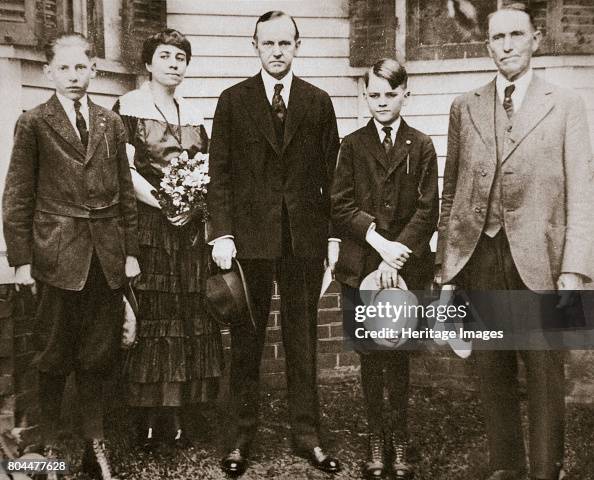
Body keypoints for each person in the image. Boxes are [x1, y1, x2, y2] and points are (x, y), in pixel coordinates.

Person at [435, 4, 594, 480]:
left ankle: (546, 470)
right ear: (487, 45)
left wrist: (574, 268)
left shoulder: (565, 104)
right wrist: (447, 269)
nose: (506, 45)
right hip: (481, 256)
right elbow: (451, 193)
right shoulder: (465, 106)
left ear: (535, 40)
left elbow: (582, 194)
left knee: (545, 373)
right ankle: (506, 467)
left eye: (515, 35)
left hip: (541, 262)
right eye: (497, 37)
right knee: (492, 370)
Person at [207, 10, 341, 476]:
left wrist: (332, 238)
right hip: (248, 242)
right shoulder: (233, 100)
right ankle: (239, 439)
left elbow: (333, 178)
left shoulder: (318, 102)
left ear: (297, 46)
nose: (277, 51)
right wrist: (221, 233)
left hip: (303, 241)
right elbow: (218, 175)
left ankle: (307, 437)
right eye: (269, 43)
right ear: (255, 46)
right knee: (246, 343)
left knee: (303, 342)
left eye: (286, 43)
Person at [2, 33, 140, 479]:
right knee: (52, 354)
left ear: (93, 70)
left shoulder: (109, 123)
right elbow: (17, 195)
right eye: (64, 68)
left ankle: (93, 446)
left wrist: (130, 253)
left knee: (98, 355)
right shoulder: (34, 122)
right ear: (49, 72)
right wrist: (22, 260)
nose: (73, 76)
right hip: (55, 257)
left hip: (105, 257)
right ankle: (44, 447)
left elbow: (124, 195)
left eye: (81, 68)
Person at [113, 29, 223, 449]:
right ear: (148, 63)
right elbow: (125, 171)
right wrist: (164, 202)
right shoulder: (128, 107)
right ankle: (146, 417)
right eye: (165, 56)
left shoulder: (193, 113)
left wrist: (193, 202)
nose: (174, 64)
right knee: (156, 313)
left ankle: (181, 413)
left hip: (189, 230)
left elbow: (206, 167)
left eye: (181, 57)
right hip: (150, 226)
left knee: (189, 311)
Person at [331, 58, 438, 480]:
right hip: (363, 265)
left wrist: (400, 253)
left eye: (390, 94)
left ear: (405, 94)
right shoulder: (353, 145)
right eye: (373, 94)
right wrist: (379, 245)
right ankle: (376, 437)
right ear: (365, 95)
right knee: (371, 355)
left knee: (400, 354)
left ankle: (400, 437)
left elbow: (428, 209)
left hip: (408, 268)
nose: (381, 102)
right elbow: (340, 205)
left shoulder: (422, 144)